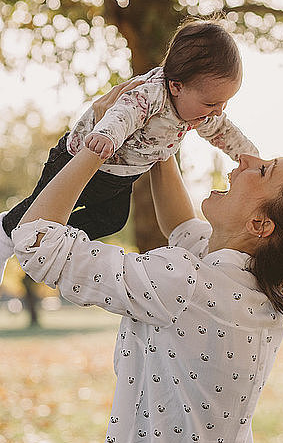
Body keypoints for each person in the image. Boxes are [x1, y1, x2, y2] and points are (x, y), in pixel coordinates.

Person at [10, 85, 283, 443]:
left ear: (261, 226)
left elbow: (38, 244)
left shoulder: (183, 282)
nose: (246, 159)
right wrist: (159, 131)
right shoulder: (269, 285)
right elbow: (183, 227)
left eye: (263, 171)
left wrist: (97, 141)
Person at [0, 17, 259, 282]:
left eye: (224, 103)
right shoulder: (151, 94)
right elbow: (123, 113)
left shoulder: (199, 112)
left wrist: (251, 157)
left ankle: (53, 239)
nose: (218, 111)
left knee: (113, 220)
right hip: (78, 161)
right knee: (40, 207)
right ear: (177, 86)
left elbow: (224, 132)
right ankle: (5, 231)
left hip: (121, 176)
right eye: (211, 103)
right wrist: (106, 135)